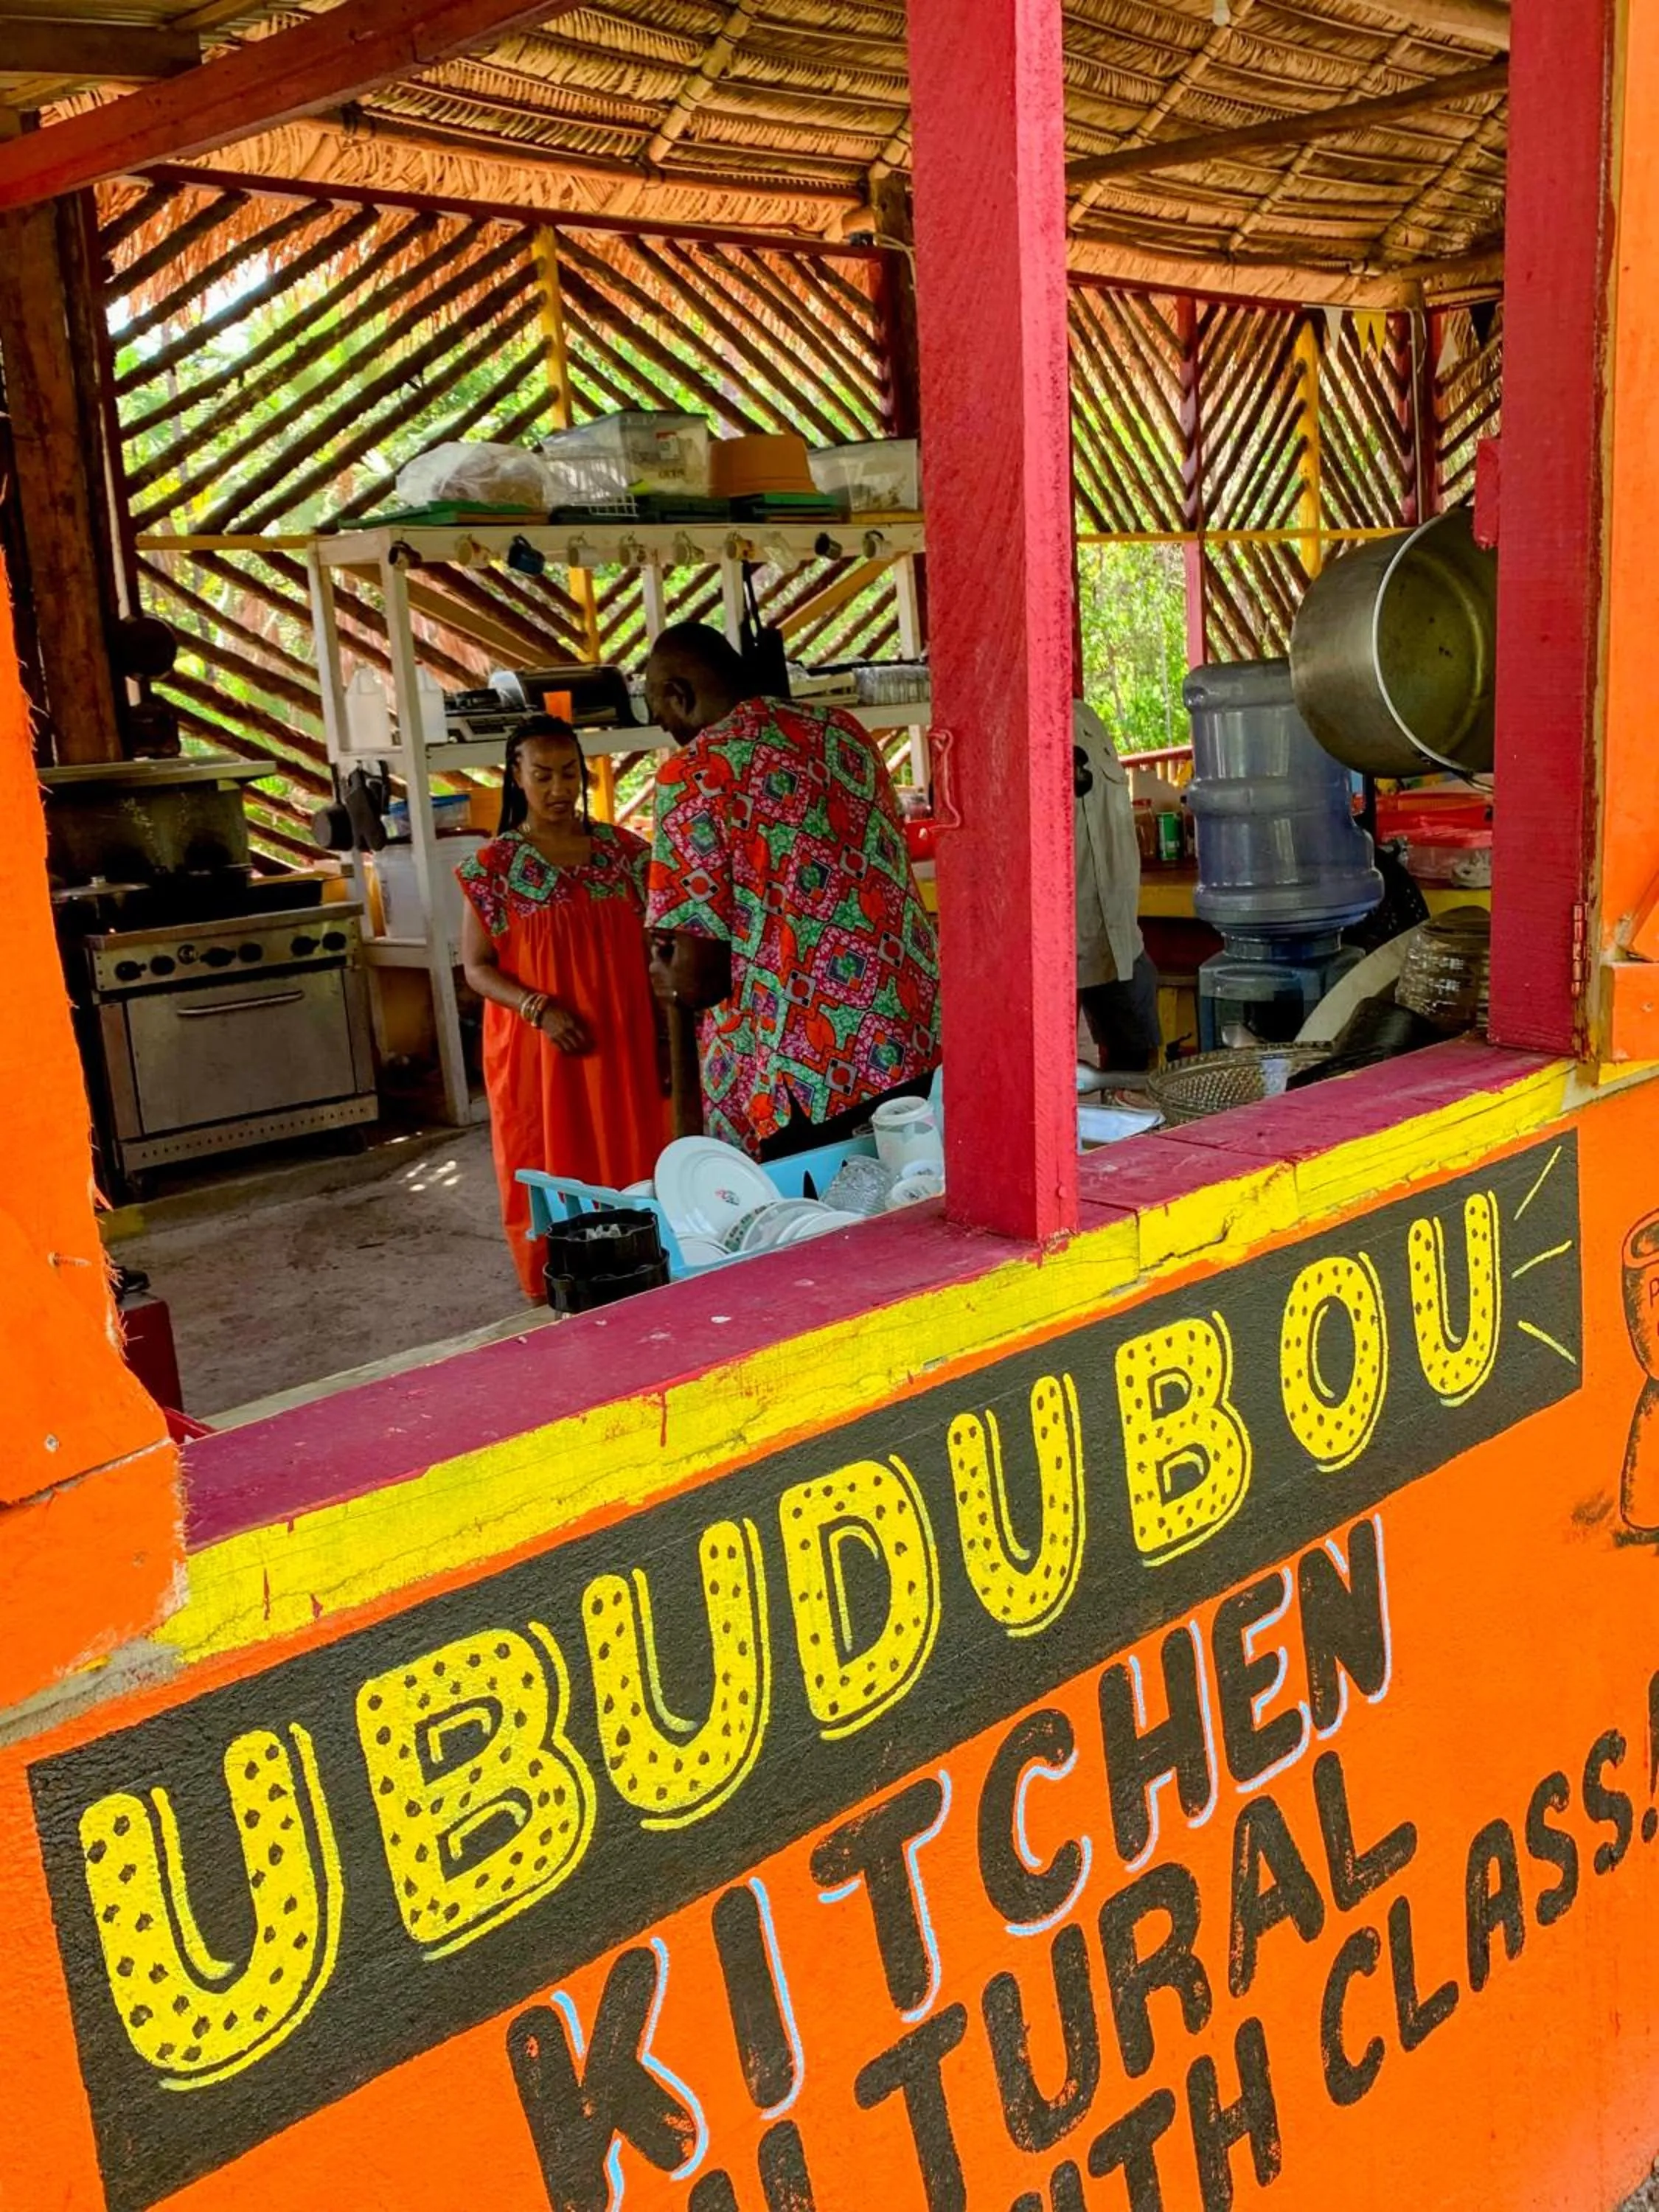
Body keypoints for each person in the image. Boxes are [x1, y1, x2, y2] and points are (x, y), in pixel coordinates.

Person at [643, 623, 940, 1160]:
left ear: (678, 694)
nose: (666, 730)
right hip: (912, 1030)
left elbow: (699, 978)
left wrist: (669, 979)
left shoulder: (694, 773)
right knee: (920, 1188)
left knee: (821, 1207)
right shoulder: (843, 731)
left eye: (659, 713)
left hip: (808, 1068)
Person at [458, 714, 664, 1297]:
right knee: (552, 1161)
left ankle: (651, 1269)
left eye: (569, 773)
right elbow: (477, 967)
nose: (558, 788)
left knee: (639, 1157)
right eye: (542, 774)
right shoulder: (493, 869)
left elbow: (660, 944)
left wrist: (669, 1032)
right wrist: (538, 1008)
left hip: (626, 1039)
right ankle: (562, 1285)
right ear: (515, 777)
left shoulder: (628, 855)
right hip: (543, 1052)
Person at [1074, 697, 1162, 1073]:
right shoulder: (1009, 725)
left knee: (1137, 1072)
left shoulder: (1085, 717)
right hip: (1051, 946)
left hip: (1120, 937)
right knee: (1045, 1076)